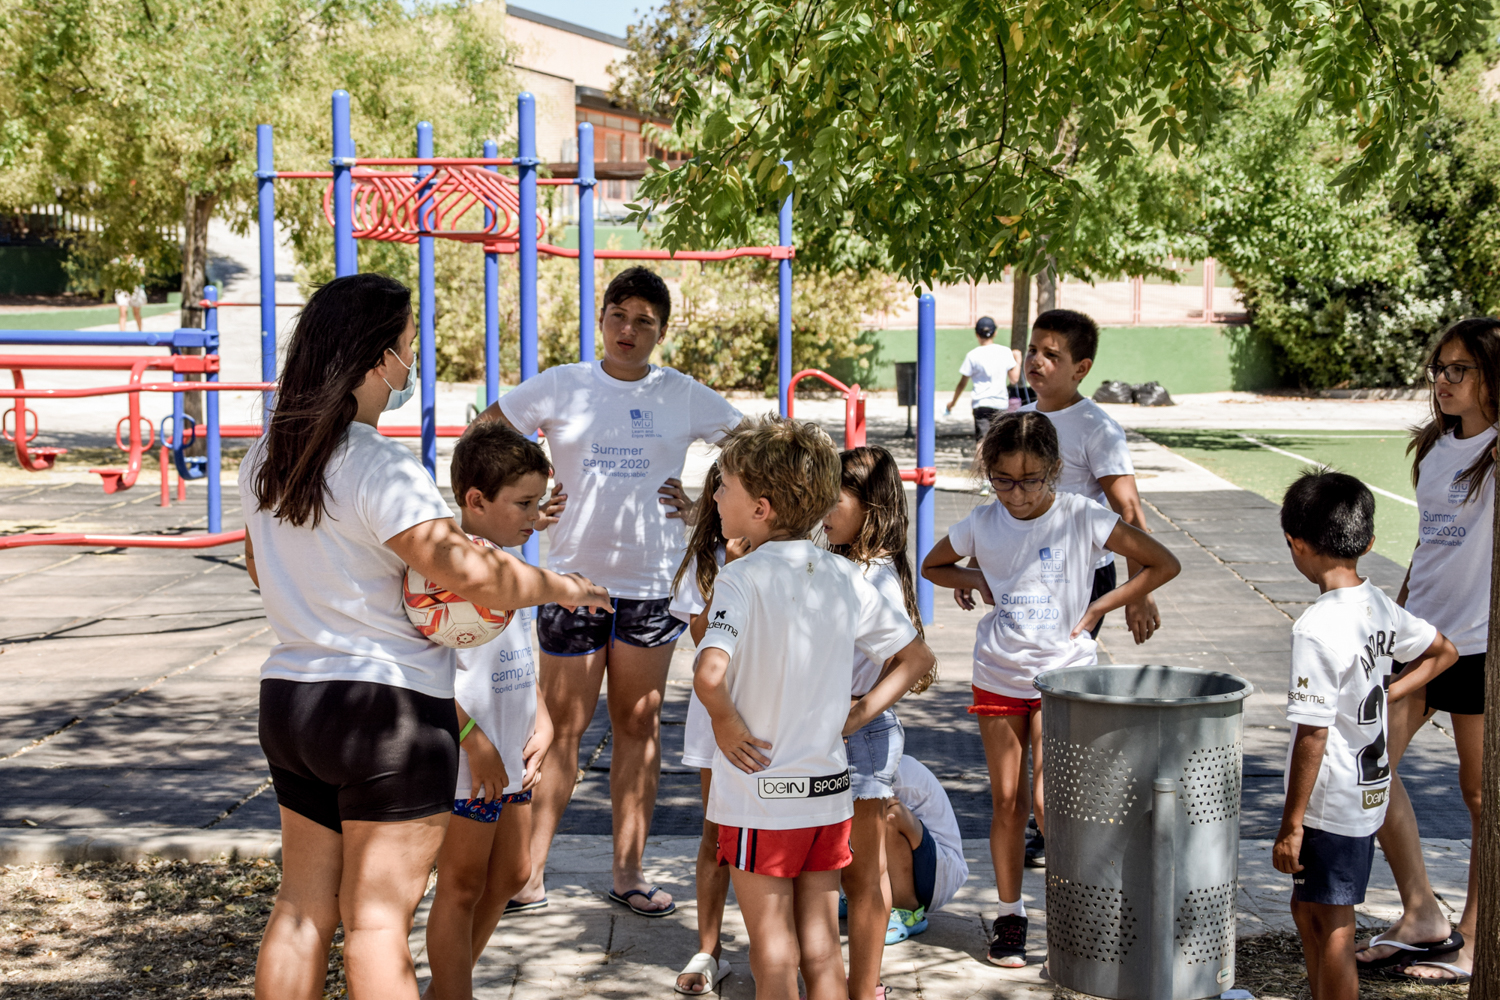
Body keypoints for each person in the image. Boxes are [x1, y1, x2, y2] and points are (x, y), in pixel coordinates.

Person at [241, 273, 608, 1000]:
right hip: (386, 712)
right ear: (379, 359)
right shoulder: (377, 462)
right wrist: (568, 587)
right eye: (408, 347)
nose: (411, 362)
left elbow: (260, 570)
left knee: (300, 909)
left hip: (290, 700)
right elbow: (483, 577)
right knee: (377, 923)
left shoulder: (266, 459)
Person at [478, 266, 743, 916]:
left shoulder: (680, 394)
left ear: (661, 331)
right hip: (573, 584)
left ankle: (628, 873)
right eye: (619, 316)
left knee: (638, 723)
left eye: (644, 321)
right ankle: (529, 875)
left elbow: (755, 445)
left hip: (652, 587)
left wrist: (705, 503)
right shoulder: (564, 384)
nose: (629, 330)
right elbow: (487, 432)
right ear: (601, 319)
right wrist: (528, 500)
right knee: (560, 729)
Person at [920, 410, 1180, 968]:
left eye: (1030, 480)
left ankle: (1076, 908)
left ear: (1055, 471)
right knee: (1008, 803)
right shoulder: (982, 522)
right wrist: (974, 579)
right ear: (987, 473)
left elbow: (1163, 562)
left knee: (1049, 803)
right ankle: (1011, 915)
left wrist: (1099, 607)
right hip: (998, 674)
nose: (1016, 494)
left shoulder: (1083, 515)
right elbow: (932, 564)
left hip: (1063, 678)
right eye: (1003, 480)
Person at [695, 416, 936, 1000]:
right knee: (823, 946)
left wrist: (725, 724)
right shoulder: (844, 575)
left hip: (760, 799)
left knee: (773, 955)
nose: (715, 494)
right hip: (826, 794)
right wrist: (858, 715)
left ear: (762, 508)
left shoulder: (739, 579)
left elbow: (708, 673)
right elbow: (916, 657)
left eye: (723, 484)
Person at [1271, 470, 1458, 1000]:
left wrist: (1291, 823)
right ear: (1369, 542)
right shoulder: (1377, 604)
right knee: (1309, 909)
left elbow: (1313, 733)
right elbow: (1442, 651)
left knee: (1331, 924)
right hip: (1367, 793)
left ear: (1296, 543)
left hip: (1329, 803)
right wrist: (1389, 692)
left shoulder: (1315, 627)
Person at [1353, 317, 1499, 983]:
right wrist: (1398, 619)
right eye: (1438, 368)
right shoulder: (1435, 447)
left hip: (1479, 647)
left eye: (1459, 369)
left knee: (1481, 797)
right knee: (1368, 767)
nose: (1442, 381)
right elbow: (1427, 544)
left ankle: (1475, 936)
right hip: (1421, 636)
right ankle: (1421, 915)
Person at [424, 423, 557, 1000]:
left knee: (510, 875)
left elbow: (519, 648)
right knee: (459, 887)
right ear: (476, 501)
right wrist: (473, 739)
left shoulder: (503, 560)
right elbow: (421, 674)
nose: (534, 516)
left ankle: (446, 988)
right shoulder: (441, 573)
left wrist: (543, 715)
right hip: (468, 759)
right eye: (523, 503)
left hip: (511, 748)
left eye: (538, 502)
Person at [821, 445, 932, 1000]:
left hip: (860, 740)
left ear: (871, 506)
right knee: (838, 872)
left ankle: (864, 989)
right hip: (833, 732)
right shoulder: (844, 561)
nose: (822, 508)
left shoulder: (873, 575)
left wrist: (859, 712)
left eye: (834, 497)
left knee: (861, 877)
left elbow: (918, 659)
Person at [667, 461, 748, 996]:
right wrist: (731, 574)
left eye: (728, 490)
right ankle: (710, 947)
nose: (717, 499)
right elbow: (701, 635)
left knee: (776, 834)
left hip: (776, 714)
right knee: (717, 833)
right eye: (716, 489)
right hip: (716, 713)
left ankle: (780, 939)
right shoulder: (705, 560)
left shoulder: (795, 558)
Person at [882, 755, 970, 944]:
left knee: (888, 814)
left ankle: (908, 911)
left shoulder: (890, 769)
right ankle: (865, 896)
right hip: (921, 862)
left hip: (938, 875)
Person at [945, 316, 1020, 440]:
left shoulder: (972, 355)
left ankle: (979, 460)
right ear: (995, 333)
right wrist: (1018, 360)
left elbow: (962, 383)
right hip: (1000, 404)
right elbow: (1014, 379)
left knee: (982, 441)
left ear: (976, 334)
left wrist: (952, 403)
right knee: (999, 442)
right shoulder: (1005, 352)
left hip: (981, 403)